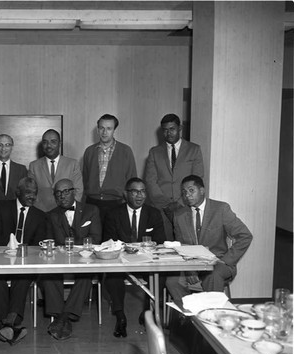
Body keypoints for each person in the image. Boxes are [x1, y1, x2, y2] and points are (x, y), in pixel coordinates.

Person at [165, 175, 253, 309]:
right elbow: (180, 247)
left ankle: (212, 314)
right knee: (172, 281)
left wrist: (226, 260)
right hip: (191, 264)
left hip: (218, 263)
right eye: (184, 192)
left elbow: (245, 235)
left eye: (191, 190)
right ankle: (191, 312)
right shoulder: (179, 215)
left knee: (212, 276)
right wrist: (189, 270)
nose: (187, 195)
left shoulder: (221, 209)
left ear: (202, 190)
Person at [0, 177, 47, 345]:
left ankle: (8, 323)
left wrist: (21, 252)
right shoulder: (1, 207)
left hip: (25, 261)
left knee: (23, 275)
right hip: (0, 258)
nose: (32, 197)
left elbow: (38, 246)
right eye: (28, 193)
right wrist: (9, 248)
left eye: (35, 194)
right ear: (18, 192)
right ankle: (8, 324)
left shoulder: (40, 216)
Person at [103, 177, 165, 338]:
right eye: (135, 191)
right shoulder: (113, 214)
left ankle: (147, 312)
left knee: (160, 275)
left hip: (146, 260)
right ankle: (120, 316)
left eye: (143, 191)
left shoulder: (154, 213)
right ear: (126, 194)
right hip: (121, 260)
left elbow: (160, 241)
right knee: (112, 276)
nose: (140, 195)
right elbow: (108, 241)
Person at [43, 178, 101, 340]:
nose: (62, 196)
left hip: (85, 258)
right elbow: (50, 242)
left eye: (66, 191)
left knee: (86, 275)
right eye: (58, 193)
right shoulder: (50, 215)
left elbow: (95, 238)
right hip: (59, 260)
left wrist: (70, 245)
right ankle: (65, 316)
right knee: (48, 275)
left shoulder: (91, 210)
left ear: (74, 192)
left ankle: (63, 317)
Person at [145, 114, 204, 239]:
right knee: (163, 245)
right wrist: (165, 205)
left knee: (185, 244)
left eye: (172, 129)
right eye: (165, 130)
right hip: (161, 209)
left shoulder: (194, 149)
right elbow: (150, 181)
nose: (169, 133)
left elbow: (198, 179)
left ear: (180, 128)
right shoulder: (154, 152)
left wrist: (180, 203)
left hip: (185, 206)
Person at [82, 114, 137, 222]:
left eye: (109, 128)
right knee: (94, 236)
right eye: (101, 128)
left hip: (116, 203)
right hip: (92, 203)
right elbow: (85, 178)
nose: (104, 132)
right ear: (97, 130)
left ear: (114, 130)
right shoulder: (89, 151)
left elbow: (132, 178)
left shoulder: (125, 151)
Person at [28, 129, 83, 212]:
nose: (49, 145)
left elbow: (78, 191)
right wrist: (39, 210)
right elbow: (31, 192)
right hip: (42, 213)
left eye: (53, 142)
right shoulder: (34, 166)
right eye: (45, 142)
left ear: (59, 143)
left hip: (65, 213)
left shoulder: (72, 164)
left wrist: (70, 211)